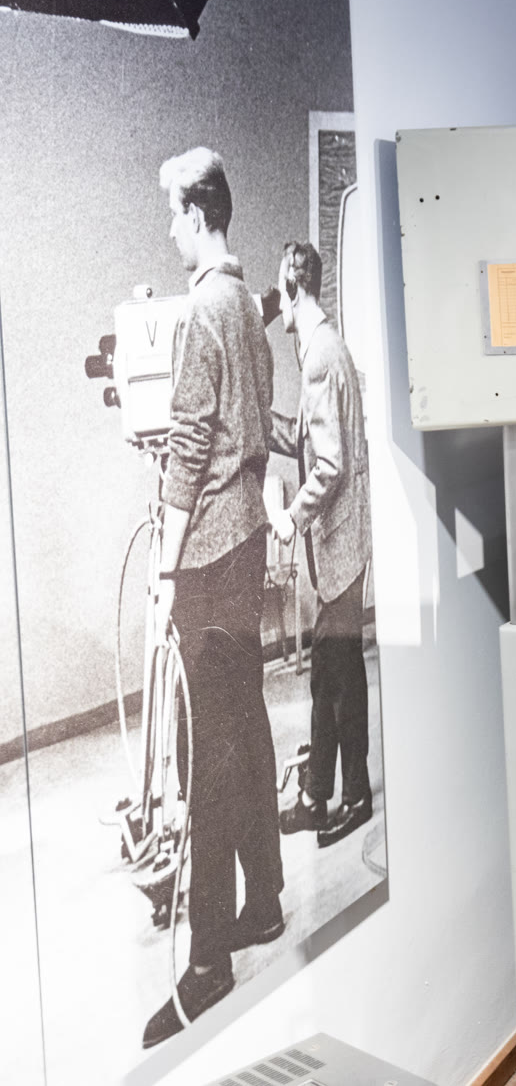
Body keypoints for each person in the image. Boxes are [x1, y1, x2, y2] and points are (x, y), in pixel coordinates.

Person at [144, 148, 284, 1050]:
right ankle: (263, 901)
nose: (169, 231)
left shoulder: (202, 311)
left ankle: (207, 960)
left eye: (172, 215)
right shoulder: (249, 306)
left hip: (206, 554)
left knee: (208, 753)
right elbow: (251, 428)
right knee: (249, 726)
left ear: (197, 214)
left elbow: (191, 446)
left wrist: (164, 567)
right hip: (249, 542)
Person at [267, 241, 374, 851]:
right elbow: (309, 441)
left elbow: (329, 465)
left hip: (338, 545)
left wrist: (291, 517)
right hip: (342, 544)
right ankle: (316, 795)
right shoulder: (322, 349)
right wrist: (257, 420)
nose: (276, 305)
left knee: (338, 677)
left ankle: (353, 798)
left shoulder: (320, 357)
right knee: (329, 675)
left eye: (280, 292)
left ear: (294, 287)